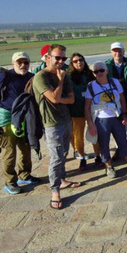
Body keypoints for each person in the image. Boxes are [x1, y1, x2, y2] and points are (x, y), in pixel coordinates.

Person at [0, 52, 41, 195]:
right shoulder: (5, 76)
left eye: (25, 62)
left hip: (25, 117)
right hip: (7, 118)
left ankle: (25, 175)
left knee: (26, 147)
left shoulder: (31, 77)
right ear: (13, 63)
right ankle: (10, 181)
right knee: (9, 150)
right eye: (19, 62)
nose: (22, 65)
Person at [32, 44, 80, 210]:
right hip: (51, 123)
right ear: (48, 58)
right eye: (57, 58)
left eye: (63, 58)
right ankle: (55, 192)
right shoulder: (40, 77)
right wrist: (59, 83)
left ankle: (62, 180)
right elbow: (53, 98)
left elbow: (71, 99)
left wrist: (58, 96)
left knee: (65, 152)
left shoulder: (65, 76)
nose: (60, 61)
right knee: (56, 157)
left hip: (65, 120)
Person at [85, 61, 127, 177]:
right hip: (101, 120)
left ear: (107, 71)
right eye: (96, 71)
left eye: (101, 70)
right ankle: (109, 167)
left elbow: (122, 99)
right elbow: (87, 106)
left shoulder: (115, 82)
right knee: (104, 144)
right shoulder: (91, 86)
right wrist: (90, 123)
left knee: (123, 141)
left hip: (116, 117)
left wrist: (124, 115)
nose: (99, 73)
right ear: (93, 74)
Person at [68, 53, 101, 170]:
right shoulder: (69, 77)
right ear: (71, 63)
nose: (79, 63)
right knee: (78, 136)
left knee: (94, 133)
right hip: (76, 111)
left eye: (81, 60)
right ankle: (81, 158)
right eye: (75, 61)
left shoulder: (90, 75)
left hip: (91, 109)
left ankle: (98, 156)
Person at [106, 42, 127, 145]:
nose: (117, 53)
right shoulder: (106, 65)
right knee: (119, 126)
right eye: (115, 51)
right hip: (114, 100)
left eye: (119, 51)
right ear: (111, 52)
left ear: (123, 51)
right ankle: (120, 148)